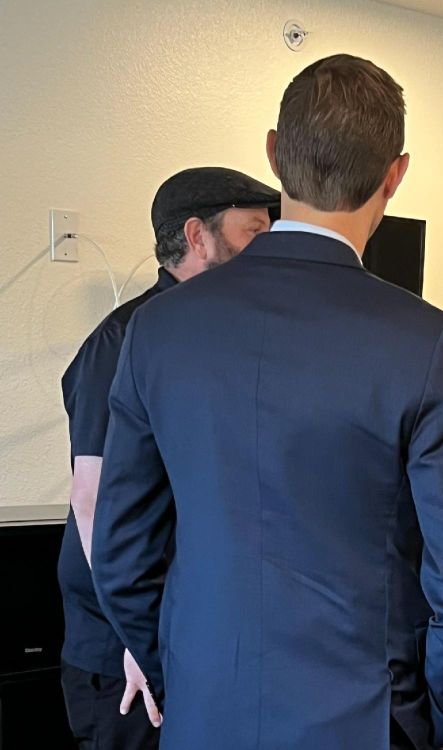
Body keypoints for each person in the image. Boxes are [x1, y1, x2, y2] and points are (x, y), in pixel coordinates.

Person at [89, 54, 443, 750]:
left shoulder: (158, 329)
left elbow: (122, 549)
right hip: (366, 720)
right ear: (395, 174)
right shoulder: (429, 343)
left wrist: (181, 676)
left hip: (204, 714)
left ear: (276, 154)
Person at [58, 166, 278, 749]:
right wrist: (138, 639)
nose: (270, 250)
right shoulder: (124, 338)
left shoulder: (222, 333)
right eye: (255, 231)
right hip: (124, 649)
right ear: (198, 236)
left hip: (191, 632)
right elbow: (93, 499)